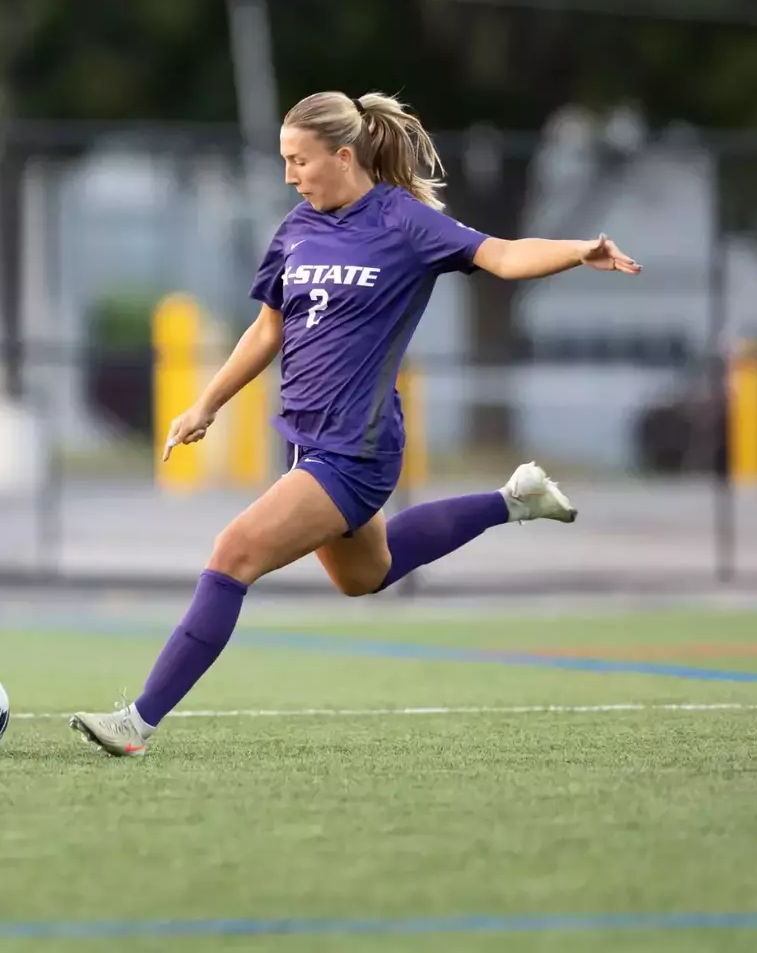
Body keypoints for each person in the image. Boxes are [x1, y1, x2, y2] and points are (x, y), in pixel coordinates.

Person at [70, 91, 640, 757]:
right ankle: (514, 499)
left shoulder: (405, 222)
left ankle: (137, 722)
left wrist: (579, 250)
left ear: (343, 155)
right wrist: (207, 403)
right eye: (285, 161)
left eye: (299, 160)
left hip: (357, 449)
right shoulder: (297, 228)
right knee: (365, 576)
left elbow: (504, 256)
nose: (290, 174)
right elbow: (267, 330)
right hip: (310, 441)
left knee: (233, 555)